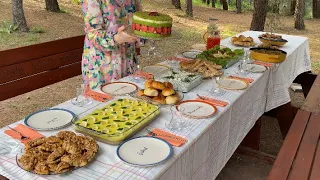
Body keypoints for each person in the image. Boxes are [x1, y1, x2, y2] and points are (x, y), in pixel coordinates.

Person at [81, 0, 141, 89]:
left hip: (127, 60)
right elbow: (93, 34)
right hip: (103, 65)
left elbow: (139, 21)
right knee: (106, 101)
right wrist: (116, 38)